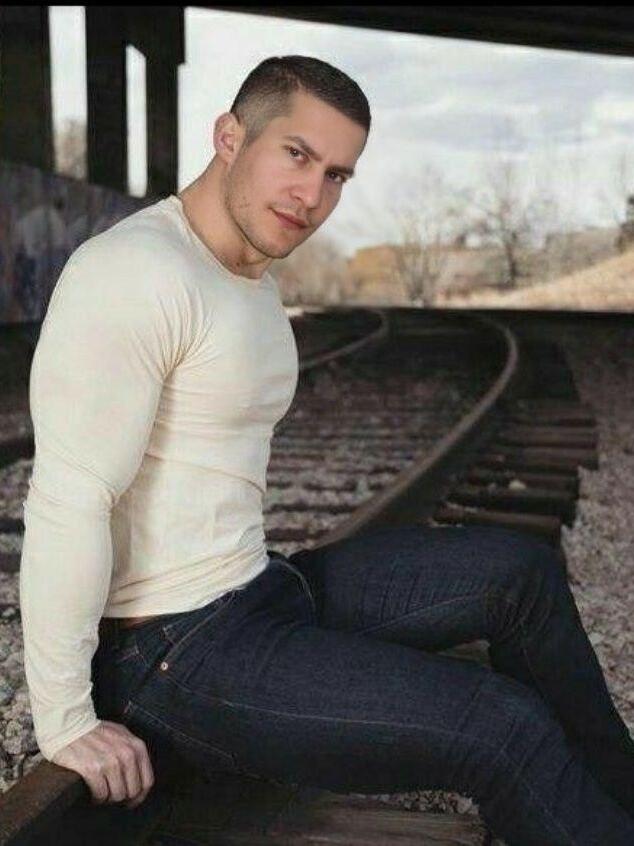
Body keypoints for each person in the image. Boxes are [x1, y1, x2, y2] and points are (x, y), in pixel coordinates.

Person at [19, 55, 634, 844]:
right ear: (230, 137)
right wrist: (66, 717)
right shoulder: (134, 272)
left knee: (521, 575)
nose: (312, 195)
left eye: (337, 174)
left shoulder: (249, 276)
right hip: (175, 650)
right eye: (297, 155)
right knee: (500, 725)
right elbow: (68, 499)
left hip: (258, 587)